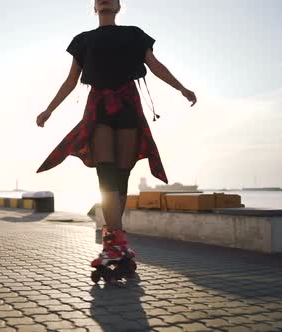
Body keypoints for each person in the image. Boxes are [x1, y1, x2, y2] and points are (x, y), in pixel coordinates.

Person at [35, 0, 197, 272]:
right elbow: (70, 80)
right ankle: (116, 241)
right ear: (95, 7)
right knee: (106, 172)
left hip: (127, 105)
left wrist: (182, 88)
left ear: (120, 6)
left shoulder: (134, 34)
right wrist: (48, 109)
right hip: (99, 106)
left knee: (122, 174)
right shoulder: (83, 40)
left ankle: (115, 241)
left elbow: (156, 66)